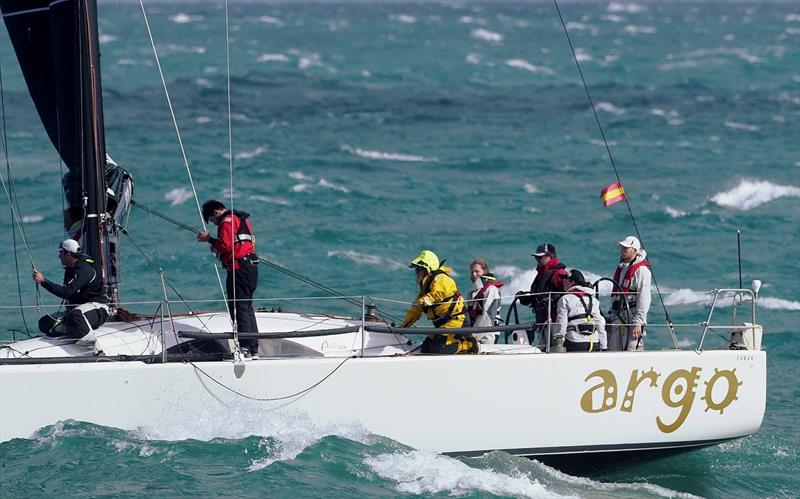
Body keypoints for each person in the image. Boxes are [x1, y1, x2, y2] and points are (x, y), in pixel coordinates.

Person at [197, 200, 260, 357]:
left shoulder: (227, 221)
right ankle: (253, 347)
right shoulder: (242, 219)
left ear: (217, 212)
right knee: (247, 307)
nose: (214, 222)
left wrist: (209, 239)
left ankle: (245, 348)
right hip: (251, 267)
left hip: (239, 269)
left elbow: (225, 246)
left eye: (212, 220)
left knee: (239, 308)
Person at [401, 250, 476, 354]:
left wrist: (424, 301)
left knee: (438, 349)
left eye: (419, 269)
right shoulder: (425, 288)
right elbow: (415, 310)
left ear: (428, 269)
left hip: (458, 321)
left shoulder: (441, 279)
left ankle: (468, 344)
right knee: (426, 348)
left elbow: (439, 293)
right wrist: (403, 326)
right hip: (443, 325)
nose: (416, 273)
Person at [32, 239, 109, 339]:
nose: (59, 256)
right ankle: (69, 329)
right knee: (44, 322)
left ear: (68, 254)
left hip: (97, 308)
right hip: (76, 309)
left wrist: (43, 281)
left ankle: (93, 348)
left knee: (75, 316)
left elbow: (66, 292)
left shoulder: (84, 269)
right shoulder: (71, 267)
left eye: (61, 253)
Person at [516, 242, 569, 349]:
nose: (538, 260)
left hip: (555, 321)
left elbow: (567, 295)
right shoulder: (541, 274)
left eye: (541, 257)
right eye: (536, 258)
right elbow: (539, 295)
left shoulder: (559, 273)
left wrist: (551, 299)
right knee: (543, 349)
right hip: (542, 321)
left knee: (555, 349)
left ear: (551, 256)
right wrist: (528, 298)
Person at [607, 236, 651, 352]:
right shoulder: (622, 269)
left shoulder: (642, 271)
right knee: (612, 350)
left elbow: (644, 298)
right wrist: (610, 317)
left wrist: (638, 322)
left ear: (635, 251)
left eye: (626, 249)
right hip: (618, 317)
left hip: (632, 319)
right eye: (622, 248)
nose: (622, 251)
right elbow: (616, 295)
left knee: (632, 350)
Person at [555, 269, 607, 352]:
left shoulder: (565, 299)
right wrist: (603, 347)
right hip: (594, 342)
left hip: (575, 342)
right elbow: (600, 323)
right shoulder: (594, 300)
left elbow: (562, 323)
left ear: (572, 283)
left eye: (566, 280)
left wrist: (559, 344)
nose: (563, 282)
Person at [466, 258, 503, 344]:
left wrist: (473, 337)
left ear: (485, 272)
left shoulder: (491, 290)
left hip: (489, 334)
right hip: (475, 332)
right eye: (472, 272)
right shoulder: (471, 294)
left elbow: (488, 316)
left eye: (477, 271)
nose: (474, 274)